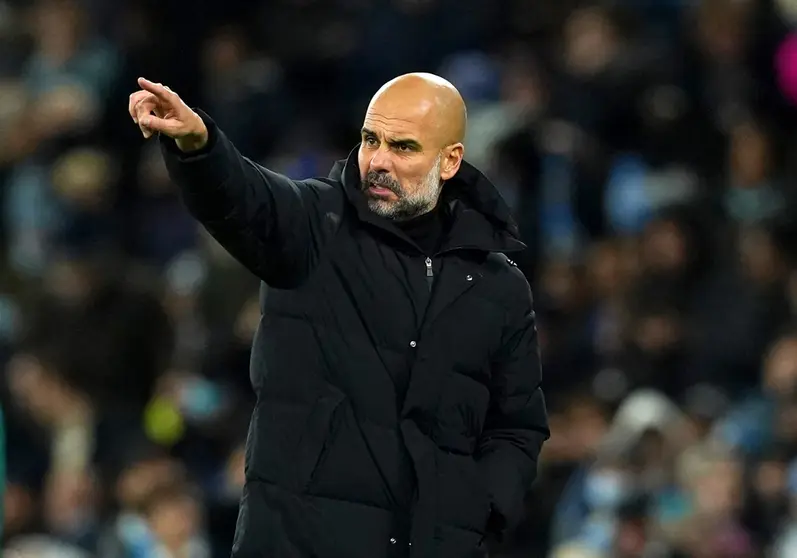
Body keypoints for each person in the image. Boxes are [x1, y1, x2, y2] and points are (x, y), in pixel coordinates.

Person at [128, 72, 549, 558]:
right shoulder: (315, 224)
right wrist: (198, 144)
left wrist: (478, 516)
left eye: (404, 147)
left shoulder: (498, 286)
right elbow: (246, 198)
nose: (379, 162)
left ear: (450, 160)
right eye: (371, 139)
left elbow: (517, 426)